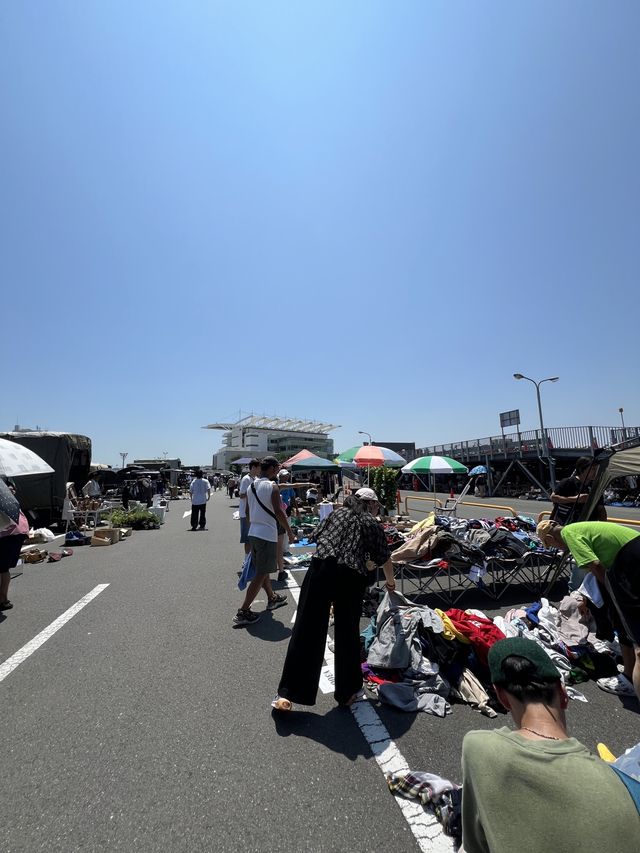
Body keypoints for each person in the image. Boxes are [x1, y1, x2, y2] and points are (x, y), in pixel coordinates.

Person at [461, 637, 638, 853]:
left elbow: (474, 846)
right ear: (564, 694)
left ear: (503, 698)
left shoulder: (478, 747)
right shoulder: (627, 790)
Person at [272, 487, 395, 711]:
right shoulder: (370, 523)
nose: (377, 509)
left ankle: (288, 693)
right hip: (350, 577)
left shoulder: (336, 514)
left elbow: (318, 538)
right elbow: (385, 558)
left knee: (306, 629)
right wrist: (391, 583)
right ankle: (347, 693)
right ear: (370, 504)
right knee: (347, 633)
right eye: (376, 504)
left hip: (320, 569)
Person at [537, 519, 640, 701]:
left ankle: (630, 680)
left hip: (629, 559)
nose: (558, 549)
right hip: (633, 552)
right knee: (624, 619)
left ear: (552, 537)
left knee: (627, 621)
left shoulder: (569, 534)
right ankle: (630, 669)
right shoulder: (579, 528)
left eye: (550, 544)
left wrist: (610, 593)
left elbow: (596, 566)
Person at [233, 457, 297, 628]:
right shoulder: (272, 486)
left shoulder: (251, 485)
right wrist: (290, 533)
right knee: (261, 573)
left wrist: (253, 527)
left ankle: (272, 598)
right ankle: (243, 610)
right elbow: (279, 511)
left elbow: (246, 510)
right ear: (271, 469)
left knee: (263, 570)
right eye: (277, 467)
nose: (278, 470)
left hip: (253, 532)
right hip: (267, 535)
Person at [550, 457, 607, 525]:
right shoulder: (568, 482)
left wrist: (604, 525)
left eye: (597, 469)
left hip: (588, 525)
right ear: (581, 469)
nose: (595, 472)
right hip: (565, 524)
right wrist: (576, 499)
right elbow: (553, 498)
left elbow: (600, 508)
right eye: (592, 469)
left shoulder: (595, 487)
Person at [0, 488, 29, 611]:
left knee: (2, 568)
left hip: (8, 533)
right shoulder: (7, 497)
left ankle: (3, 599)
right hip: (18, 531)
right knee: (3, 568)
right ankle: (3, 599)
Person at [238, 459, 261, 556]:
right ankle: (246, 560)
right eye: (259, 468)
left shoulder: (255, 479)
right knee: (247, 538)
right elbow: (242, 495)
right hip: (245, 513)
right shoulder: (246, 479)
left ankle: (251, 559)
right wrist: (254, 494)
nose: (260, 470)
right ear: (254, 468)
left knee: (253, 537)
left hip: (253, 512)